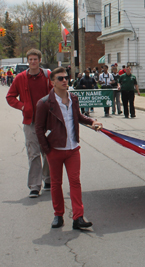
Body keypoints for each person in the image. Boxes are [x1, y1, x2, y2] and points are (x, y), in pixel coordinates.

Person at [35, 67, 102, 229]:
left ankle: (78, 217)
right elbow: (38, 128)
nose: (64, 80)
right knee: (56, 183)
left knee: (75, 182)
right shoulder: (44, 103)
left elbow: (78, 116)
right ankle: (58, 215)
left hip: (72, 149)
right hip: (55, 150)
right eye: (60, 78)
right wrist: (47, 150)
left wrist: (92, 122)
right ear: (52, 83)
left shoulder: (73, 98)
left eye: (66, 78)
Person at [6, 49, 52, 198]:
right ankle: (34, 186)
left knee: (48, 151)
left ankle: (48, 179)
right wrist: (22, 106)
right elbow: (10, 96)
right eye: (30, 59)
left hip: (47, 121)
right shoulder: (20, 78)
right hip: (30, 121)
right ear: (28, 61)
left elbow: (56, 92)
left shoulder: (47, 76)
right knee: (33, 153)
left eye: (35, 59)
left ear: (40, 60)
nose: (33, 62)